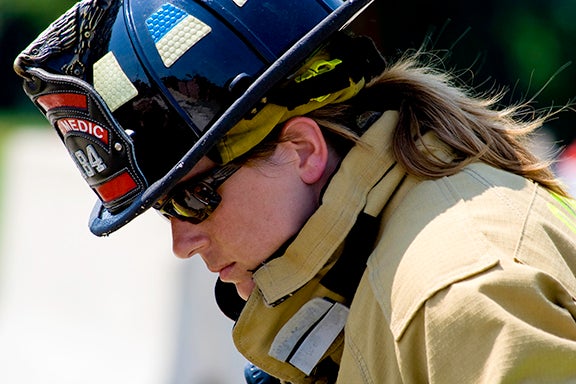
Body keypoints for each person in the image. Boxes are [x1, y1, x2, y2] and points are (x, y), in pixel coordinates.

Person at [13, 0, 576, 382]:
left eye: (193, 197)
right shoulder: (363, 260)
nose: (183, 243)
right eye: (165, 211)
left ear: (302, 150)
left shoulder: (461, 293)